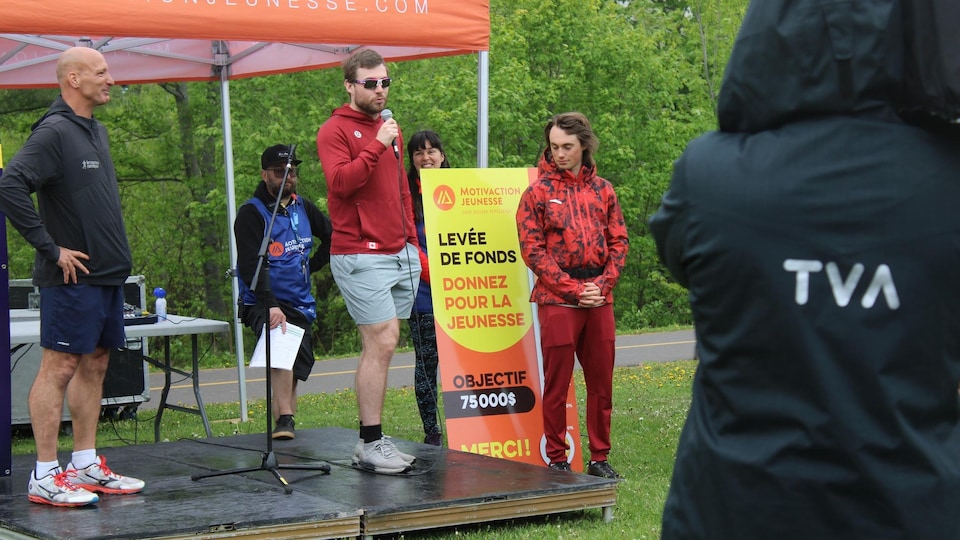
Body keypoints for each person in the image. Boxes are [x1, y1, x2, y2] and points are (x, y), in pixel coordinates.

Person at [649, 1, 960, 538]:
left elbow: (683, 261)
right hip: (906, 508)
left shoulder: (708, 176)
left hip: (731, 509)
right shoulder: (946, 179)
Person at [0, 46, 145, 507]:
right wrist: (51, 247)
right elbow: (9, 184)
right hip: (70, 277)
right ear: (74, 79)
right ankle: (44, 475)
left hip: (106, 275)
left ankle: (84, 464)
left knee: (96, 361)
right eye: (101, 73)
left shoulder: (95, 130)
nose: (111, 80)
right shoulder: (54, 131)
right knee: (60, 365)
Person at [316, 49, 421, 474]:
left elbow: (400, 190)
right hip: (359, 251)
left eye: (385, 82)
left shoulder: (389, 128)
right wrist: (376, 145)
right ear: (349, 85)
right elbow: (341, 183)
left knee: (382, 344)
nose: (380, 90)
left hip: (398, 251)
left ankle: (371, 442)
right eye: (371, 83)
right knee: (383, 339)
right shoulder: (334, 130)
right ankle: (371, 442)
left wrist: (412, 241)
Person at [516, 112, 629, 479]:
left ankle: (600, 458)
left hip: (599, 299)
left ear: (584, 145)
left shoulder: (604, 190)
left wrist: (602, 286)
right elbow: (532, 250)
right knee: (557, 384)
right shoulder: (537, 192)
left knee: (601, 384)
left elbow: (619, 241)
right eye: (554, 147)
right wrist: (574, 289)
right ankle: (557, 458)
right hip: (558, 301)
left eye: (567, 146)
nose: (560, 153)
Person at [234, 144, 332, 440]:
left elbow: (332, 235)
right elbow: (250, 266)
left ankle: (284, 427)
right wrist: (271, 304)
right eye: (279, 172)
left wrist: (311, 266)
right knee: (281, 344)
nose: (287, 177)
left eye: (292, 172)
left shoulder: (303, 207)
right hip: (263, 300)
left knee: (295, 368)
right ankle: (286, 417)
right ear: (265, 175)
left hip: (300, 301)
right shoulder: (252, 213)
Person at [405, 130, 450, 446]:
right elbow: (408, 243)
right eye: (419, 152)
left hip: (465, 294)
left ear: (442, 156)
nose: (426, 157)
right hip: (424, 295)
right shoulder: (405, 195)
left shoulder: (461, 189)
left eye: (432, 151)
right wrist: (439, 277)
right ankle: (432, 431)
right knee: (427, 365)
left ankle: (475, 427)